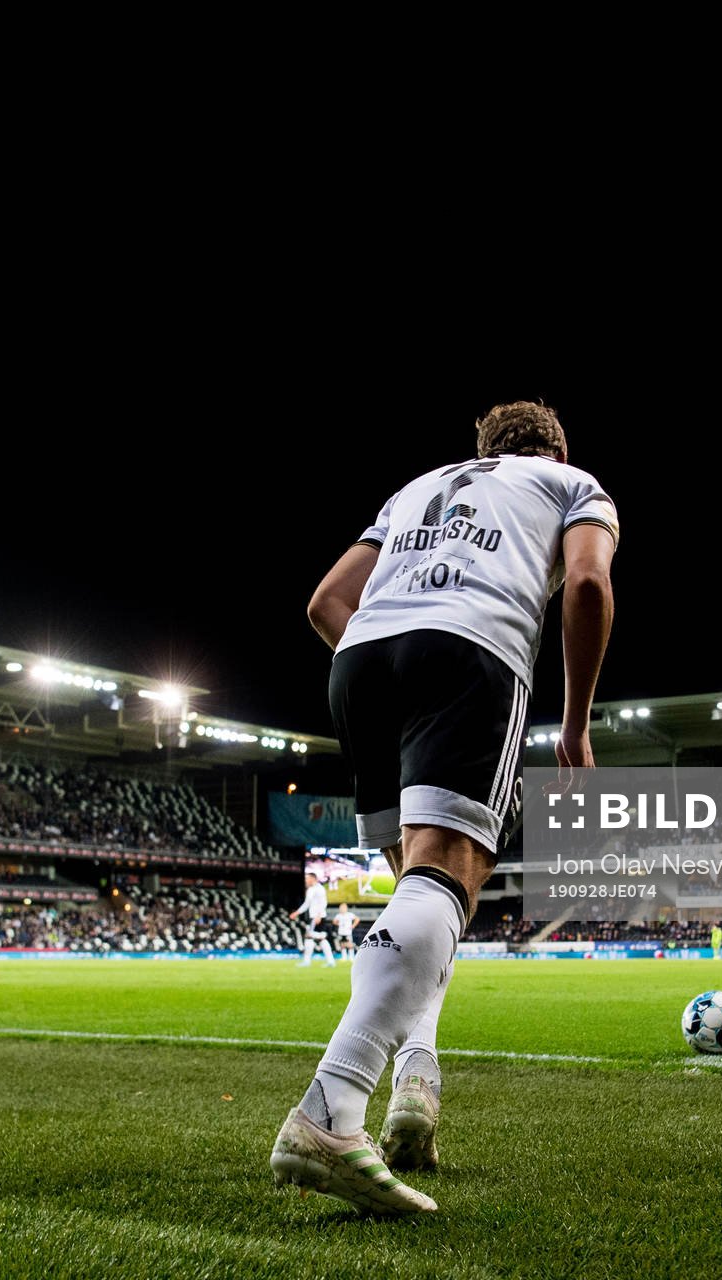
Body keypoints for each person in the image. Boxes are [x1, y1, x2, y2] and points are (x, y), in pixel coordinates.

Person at [269, 400, 617, 1214]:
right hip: (469, 650)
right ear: (559, 449)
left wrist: (395, 658)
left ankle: (415, 1086)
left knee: (419, 896)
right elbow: (589, 582)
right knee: (447, 880)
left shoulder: (416, 487)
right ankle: (330, 1109)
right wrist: (574, 725)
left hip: (361, 662)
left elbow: (325, 602)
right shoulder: (574, 484)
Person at [289, 871, 336, 967]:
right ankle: (330, 961)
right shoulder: (310, 890)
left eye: (307, 878)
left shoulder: (319, 889)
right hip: (314, 917)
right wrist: (297, 913)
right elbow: (307, 904)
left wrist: (319, 915)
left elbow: (323, 903)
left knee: (310, 937)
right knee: (320, 938)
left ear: (312, 879)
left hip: (317, 917)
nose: (305, 880)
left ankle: (307, 961)